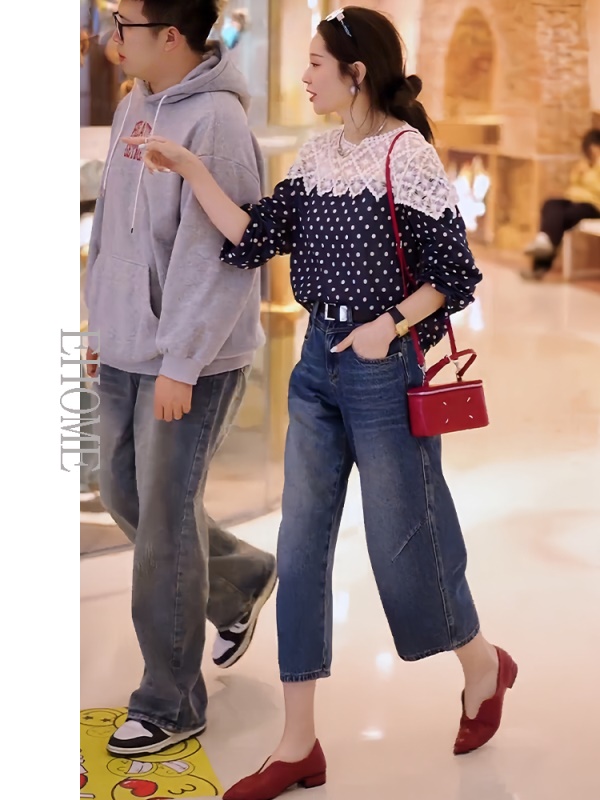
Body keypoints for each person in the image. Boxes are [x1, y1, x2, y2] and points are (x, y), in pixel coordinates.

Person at [126, 6, 517, 798]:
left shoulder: (406, 156)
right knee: (299, 549)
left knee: (404, 546)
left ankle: (482, 664)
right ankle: (297, 742)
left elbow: (455, 275)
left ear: (355, 73)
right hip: (315, 369)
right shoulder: (316, 156)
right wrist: (190, 167)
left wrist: (389, 325)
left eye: (314, 63)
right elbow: (252, 236)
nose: (303, 76)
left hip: (383, 371)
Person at [85, 0, 277, 757]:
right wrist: (105, 325)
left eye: (123, 24)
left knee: (164, 524)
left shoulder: (217, 125)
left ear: (170, 36)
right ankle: (239, 579)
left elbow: (223, 257)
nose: (111, 37)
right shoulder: (135, 103)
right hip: (126, 346)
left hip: (189, 361)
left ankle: (170, 702)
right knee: (123, 494)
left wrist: (182, 362)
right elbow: (113, 229)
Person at [521, 128, 600, 280]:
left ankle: (540, 264)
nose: (594, 152)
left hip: (594, 206)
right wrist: (583, 173)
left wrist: (593, 170)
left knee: (562, 217)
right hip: (575, 200)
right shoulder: (585, 164)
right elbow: (574, 182)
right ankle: (544, 240)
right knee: (550, 204)